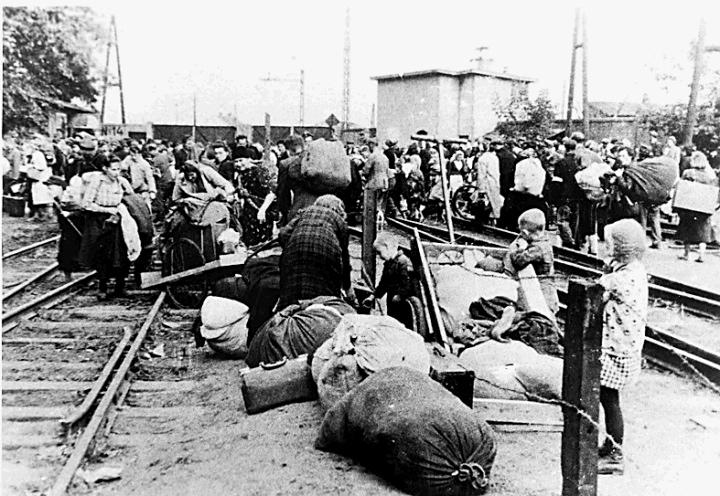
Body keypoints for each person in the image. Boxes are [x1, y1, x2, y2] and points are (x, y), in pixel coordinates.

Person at [597, 219, 648, 475]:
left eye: (609, 243)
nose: (604, 246)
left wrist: (606, 273)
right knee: (609, 399)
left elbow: (600, 286)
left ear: (621, 248)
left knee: (609, 400)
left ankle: (615, 454)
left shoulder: (619, 279)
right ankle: (611, 444)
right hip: (626, 347)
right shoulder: (635, 269)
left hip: (617, 350)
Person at [277, 195, 353, 310]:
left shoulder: (304, 212)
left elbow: (283, 235)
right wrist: (347, 287)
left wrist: (294, 244)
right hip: (326, 255)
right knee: (325, 295)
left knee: (292, 290)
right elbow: (344, 257)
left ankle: (289, 314)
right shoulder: (338, 220)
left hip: (294, 252)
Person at [78, 155, 133, 299]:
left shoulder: (121, 181)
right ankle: (102, 287)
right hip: (100, 220)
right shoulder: (97, 181)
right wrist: (106, 210)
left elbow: (131, 197)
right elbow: (86, 204)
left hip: (117, 219)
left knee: (121, 253)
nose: (116, 172)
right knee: (103, 255)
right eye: (113, 169)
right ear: (105, 169)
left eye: (118, 169)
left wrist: (122, 207)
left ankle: (120, 286)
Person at [506, 209, 559, 316]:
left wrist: (521, 247)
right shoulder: (544, 241)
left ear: (525, 233)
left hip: (543, 292)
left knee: (542, 316)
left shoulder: (537, 249)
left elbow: (518, 261)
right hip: (546, 288)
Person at [362, 232, 417, 328]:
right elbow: (383, 284)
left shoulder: (403, 262)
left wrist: (400, 295)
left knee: (403, 326)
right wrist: (373, 296)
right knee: (393, 324)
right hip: (392, 302)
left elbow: (408, 284)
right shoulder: (389, 264)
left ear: (388, 247)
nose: (379, 256)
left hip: (403, 305)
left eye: (379, 252)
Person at [676, 151, 719, 263]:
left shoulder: (688, 173)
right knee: (703, 230)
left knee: (687, 228)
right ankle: (701, 255)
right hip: (703, 207)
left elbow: (681, 188)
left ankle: (687, 254)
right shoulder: (710, 177)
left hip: (689, 206)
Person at [121, 142, 156, 209]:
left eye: (135, 155)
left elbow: (150, 178)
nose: (133, 157)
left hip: (143, 189)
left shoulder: (145, 164)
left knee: (146, 206)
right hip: (133, 189)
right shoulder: (130, 160)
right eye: (131, 155)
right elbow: (122, 167)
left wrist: (152, 191)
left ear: (139, 154)